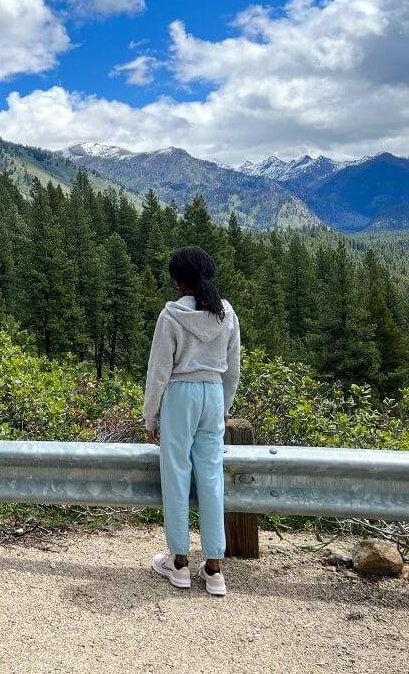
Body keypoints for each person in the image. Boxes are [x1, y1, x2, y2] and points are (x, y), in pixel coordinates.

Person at [143, 245, 240, 596]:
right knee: (212, 476)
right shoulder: (226, 313)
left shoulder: (170, 317)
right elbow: (234, 367)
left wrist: (150, 416)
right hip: (213, 394)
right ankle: (214, 568)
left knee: (176, 474)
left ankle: (179, 563)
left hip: (180, 395)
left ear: (177, 280)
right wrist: (224, 407)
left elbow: (159, 372)